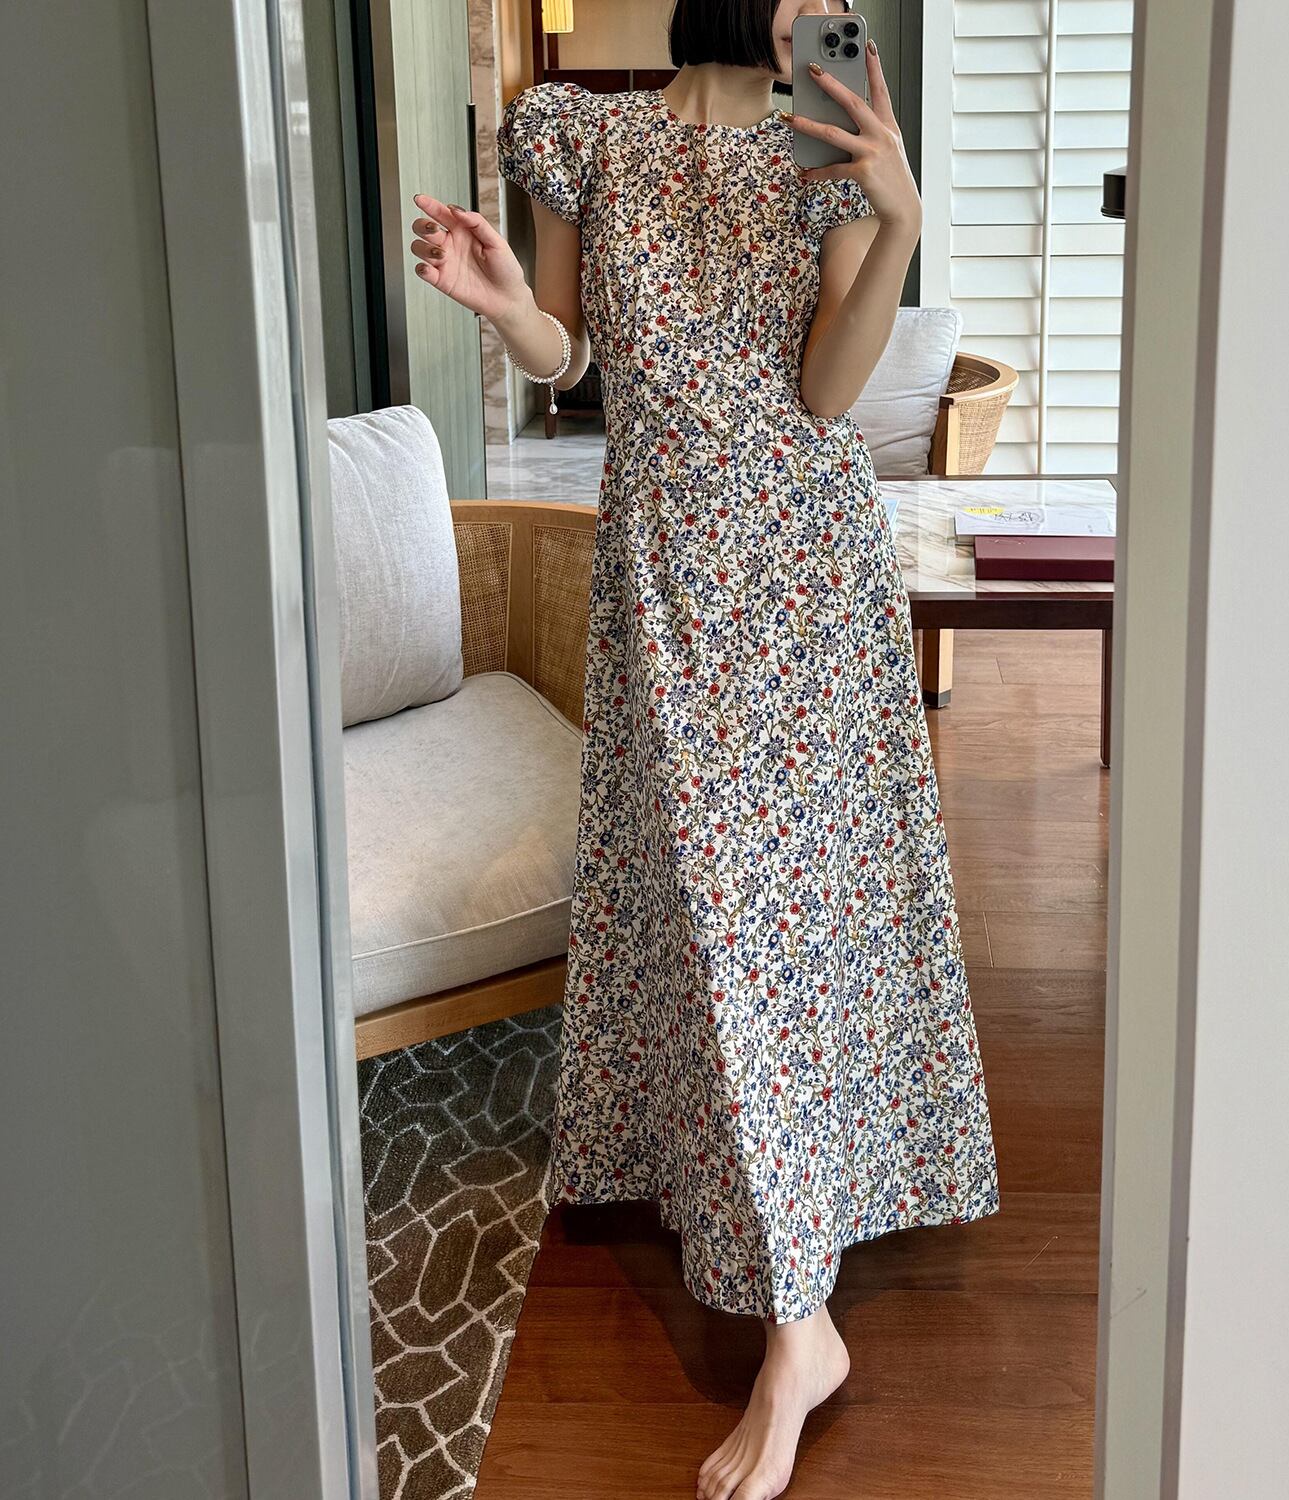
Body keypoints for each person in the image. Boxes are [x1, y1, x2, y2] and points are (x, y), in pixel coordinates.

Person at [409, 2, 999, 1495]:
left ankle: (801, 1312)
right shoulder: (581, 135)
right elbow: (568, 350)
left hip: (805, 575)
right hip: (666, 569)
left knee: (797, 919)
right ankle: (769, 1256)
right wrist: (503, 307)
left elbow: (826, 391)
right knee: (707, 913)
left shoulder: (827, 137)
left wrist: (896, 216)